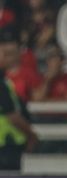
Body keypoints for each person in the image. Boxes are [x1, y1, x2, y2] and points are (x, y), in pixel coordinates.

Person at [0, 32, 39, 170]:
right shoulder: (2, 84)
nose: (5, 58)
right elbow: (12, 116)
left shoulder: (5, 81)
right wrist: (31, 135)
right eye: (3, 53)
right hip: (6, 145)